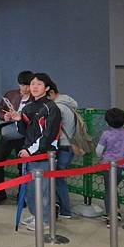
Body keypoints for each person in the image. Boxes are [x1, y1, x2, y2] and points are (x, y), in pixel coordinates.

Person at [5, 72, 61, 231]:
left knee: (42, 190)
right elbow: (25, 131)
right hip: (30, 155)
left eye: (39, 84)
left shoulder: (51, 108)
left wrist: (29, 150)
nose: (35, 87)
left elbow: (47, 136)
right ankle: (36, 214)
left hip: (43, 156)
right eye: (33, 84)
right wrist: (18, 119)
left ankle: (44, 219)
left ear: (47, 87)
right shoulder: (29, 107)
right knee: (31, 189)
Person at [0, 70, 34, 206]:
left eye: (27, 85)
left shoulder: (35, 98)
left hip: (24, 136)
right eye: (22, 85)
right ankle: (0, 193)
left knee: (23, 166)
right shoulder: (11, 94)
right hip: (9, 133)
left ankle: (22, 196)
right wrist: (5, 116)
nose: (25, 88)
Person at [96, 107, 124, 227]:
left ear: (107, 121)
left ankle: (111, 216)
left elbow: (99, 150)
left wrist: (102, 157)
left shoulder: (106, 134)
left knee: (109, 190)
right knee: (113, 188)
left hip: (108, 166)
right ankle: (117, 211)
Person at [48, 82, 77, 219]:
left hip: (61, 148)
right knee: (58, 179)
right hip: (69, 146)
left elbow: (55, 130)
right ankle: (59, 205)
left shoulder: (58, 107)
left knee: (58, 180)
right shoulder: (68, 104)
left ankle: (65, 210)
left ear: (52, 93)